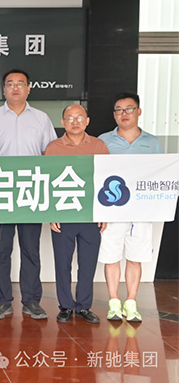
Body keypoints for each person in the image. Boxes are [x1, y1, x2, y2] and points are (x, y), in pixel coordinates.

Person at [0, 69, 57, 320]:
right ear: (3, 89)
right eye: (10, 84)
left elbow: (50, 154)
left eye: (20, 84)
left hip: (31, 192)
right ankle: (2, 301)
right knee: (1, 251)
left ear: (28, 88)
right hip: (0, 192)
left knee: (31, 249)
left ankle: (32, 301)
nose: (15, 88)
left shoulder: (42, 119)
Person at [98, 92, 163, 322]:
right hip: (112, 209)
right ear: (114, 114)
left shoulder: (152, 143)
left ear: (139, 112)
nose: (123, 114)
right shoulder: (103, 140)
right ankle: (114, 302)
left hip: (141, 210)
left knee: (136, 257)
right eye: (119, 110)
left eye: (128, 109)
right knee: (111, 256)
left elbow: (160, 174)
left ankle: (131, 302)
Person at [45, 104, 109, 324]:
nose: (75, 122)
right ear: (62, 122)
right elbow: (47, 181)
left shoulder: (99, 146)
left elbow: (106, 179)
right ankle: (65, 306)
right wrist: (51, 213)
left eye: (79, 117)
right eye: (70, 118)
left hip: (91, 215)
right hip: (63, 214)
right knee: (62, 263)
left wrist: (104, 212)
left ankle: (84, 306)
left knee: (88, 263)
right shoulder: (53, 147)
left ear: (87, 121)